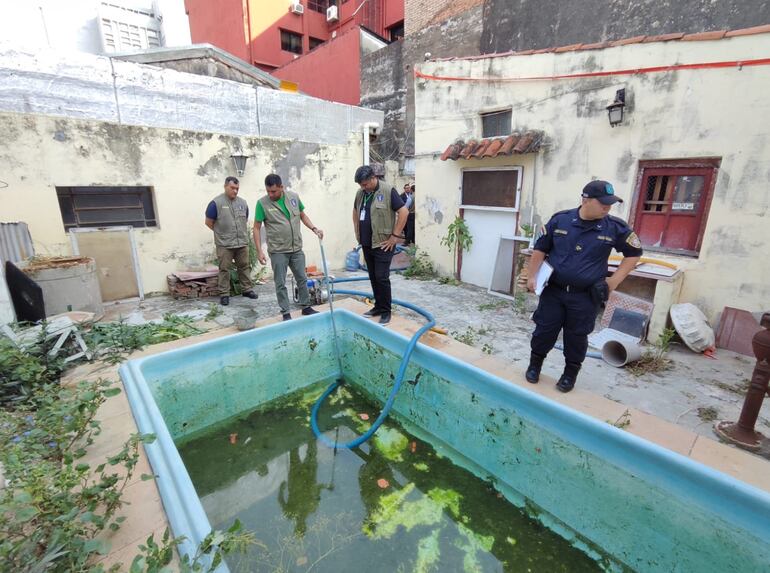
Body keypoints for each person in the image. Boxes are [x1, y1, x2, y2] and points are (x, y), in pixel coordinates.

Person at [525, 180, 643, 392]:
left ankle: (570, 375)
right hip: (554, 291)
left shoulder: (614, 227)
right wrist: (532, 276)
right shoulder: (560, 220)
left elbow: (634, 254)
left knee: (577, 337)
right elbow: (540, 249)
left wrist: (613, 282)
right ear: (585, 200)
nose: (608, 207)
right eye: (603, 203)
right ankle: (535, 365)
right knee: (544, 330)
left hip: (585, 297)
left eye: (611, 203)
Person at [253, 173, 322, 321]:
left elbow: (303, 215)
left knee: (302, 279)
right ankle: (285, 312)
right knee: (280, 283)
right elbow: (256, 228)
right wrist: (259, 251)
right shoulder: (262, 204)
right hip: (278, 251)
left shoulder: (293, 197)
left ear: (281, 188)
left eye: (274, 191)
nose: (270, 194)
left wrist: (314, 229)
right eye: (268, 191)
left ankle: (306, 307)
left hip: (296, 248)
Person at [352, 165, 409, 325]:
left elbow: (403, 212)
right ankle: (377, 306)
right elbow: (355, 211)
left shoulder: (387, 190)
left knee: (381, 277)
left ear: (373, 178)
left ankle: (386, 311)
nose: (362, 187)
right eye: (360, 185)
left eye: (364, 184)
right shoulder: (360, 193)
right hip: (366, 243)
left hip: (383, 244)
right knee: (372, 276)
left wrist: (395, 237)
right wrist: (357, 232)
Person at [205, 176, 258, 306]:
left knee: (244, 267)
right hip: (224, 244)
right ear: (225, 186)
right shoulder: (215, 203)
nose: (235, 191)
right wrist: (221, 234)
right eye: (232, 188)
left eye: (237, 188)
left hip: (241, 243)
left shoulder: (243, 203)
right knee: (224, 269)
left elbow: (244, 220)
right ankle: (224, 294)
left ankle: (247, 289)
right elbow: (208, 222)